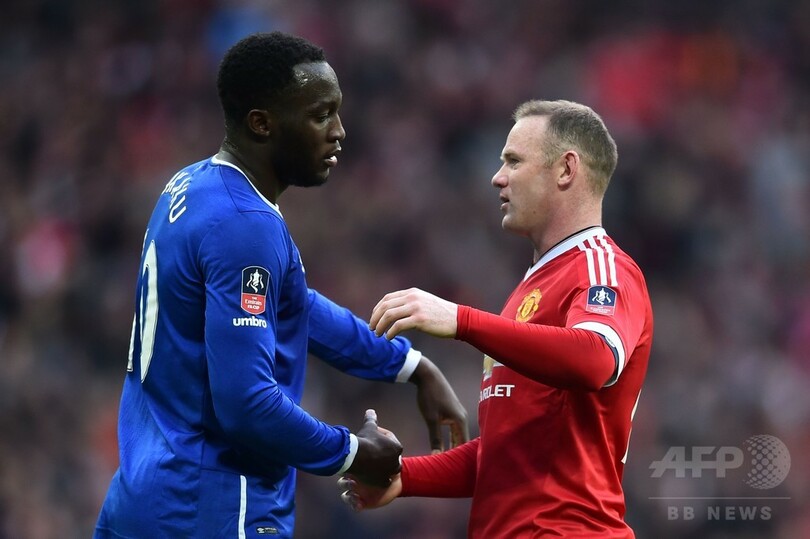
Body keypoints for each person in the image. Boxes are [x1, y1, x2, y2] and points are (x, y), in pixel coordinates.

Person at [94, 31, 468, 538]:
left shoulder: (192, 185)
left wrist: (409, 365)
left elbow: (293, 305)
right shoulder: (247, 225)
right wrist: (353, 453)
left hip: (141, 498)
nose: (339, 131)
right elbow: (246, 404)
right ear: (262, 123)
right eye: (320, 115)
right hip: (213, 507)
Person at [340, 99, 653, 538]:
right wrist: (405, 477)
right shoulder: (531, 287)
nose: (498, 177)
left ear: (566, 170)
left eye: (514, 161)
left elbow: (596, 358)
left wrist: (462, 320)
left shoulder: (603, 268)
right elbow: (510, 450)